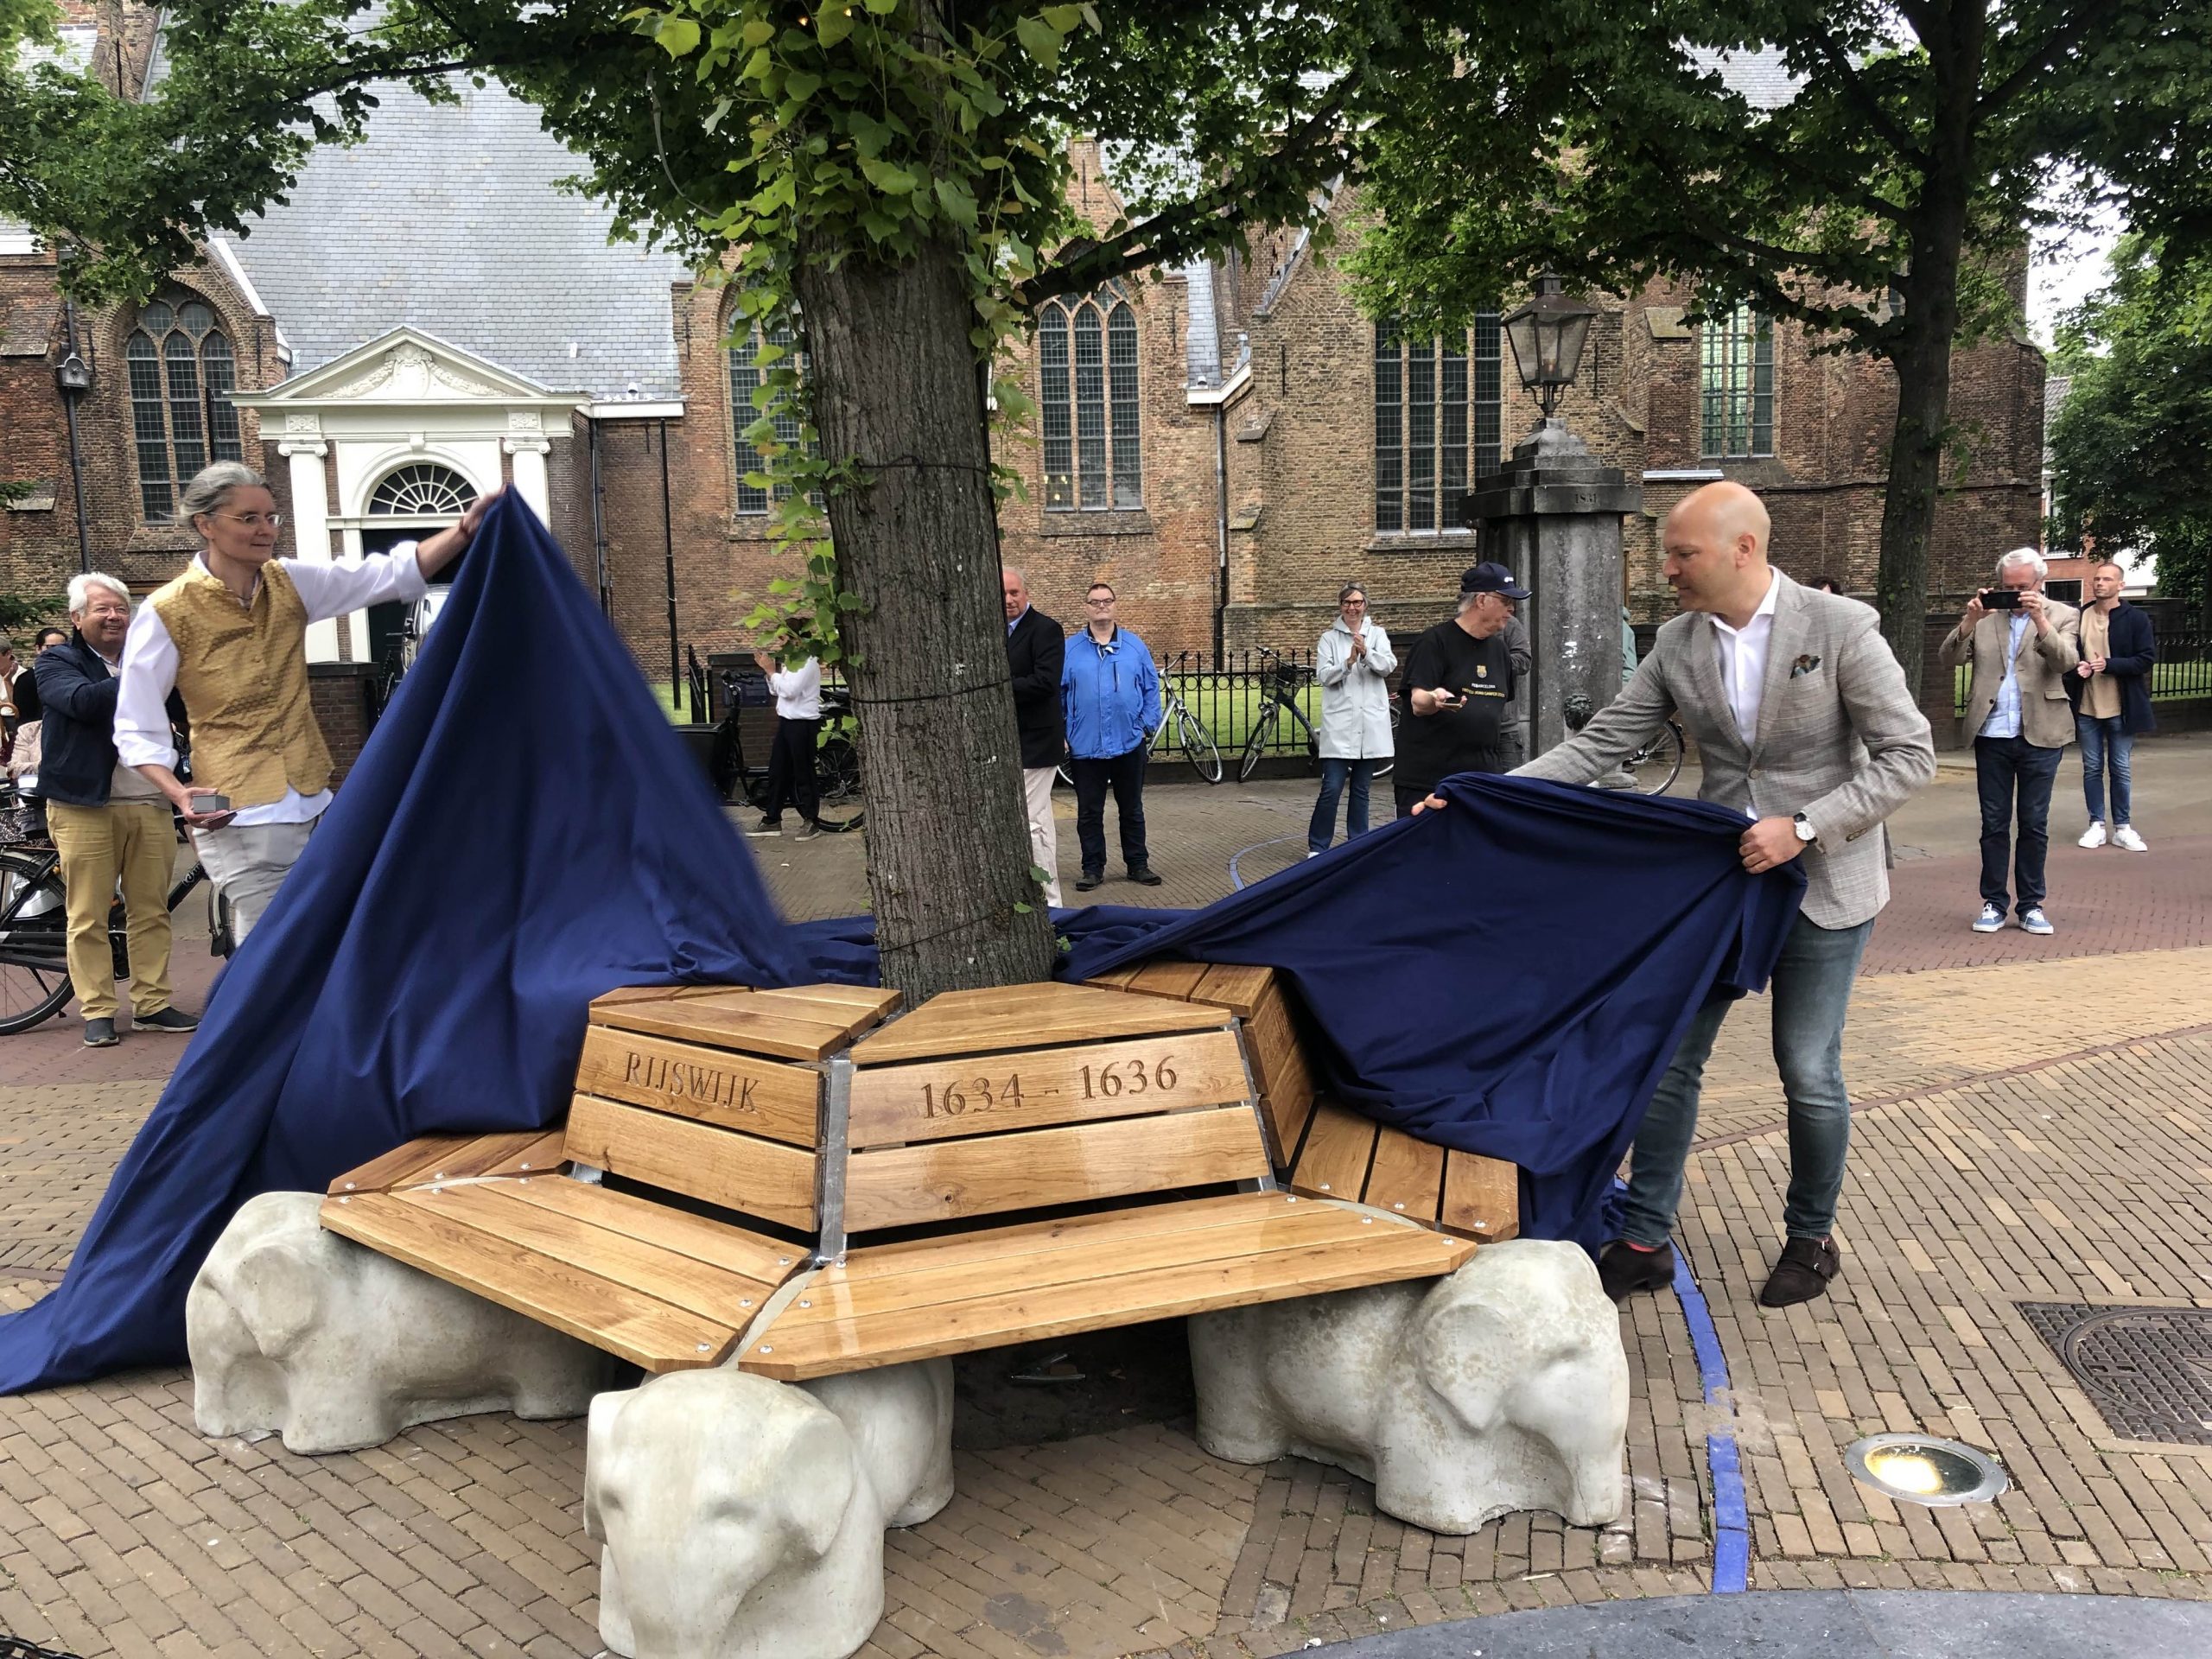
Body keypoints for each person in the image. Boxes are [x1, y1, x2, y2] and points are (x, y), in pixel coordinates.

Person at [1425, 482, 1935, 1307]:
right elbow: (1601, 743)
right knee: (1669, 1063)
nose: (1666, 570)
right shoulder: (1677, 641)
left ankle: (1812, 1238)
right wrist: (1487, 796)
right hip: (1720, 885)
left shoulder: (1840, 629)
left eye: (1681, 554)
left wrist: (1804, 825)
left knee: (1806, 1068)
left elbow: (1909, 754)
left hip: (1827, 881)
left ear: (1744, 549)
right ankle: (1645, 1238)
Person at [116, 461, 498, 944]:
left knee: (328, 939)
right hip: (237, 813)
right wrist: (176, 791)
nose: (266, 530)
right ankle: (251, 1019)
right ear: (205, 524)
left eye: (271, 517)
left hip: (314, 801)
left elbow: (382, 575)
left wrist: (464, 529)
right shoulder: (166, 611)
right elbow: (135, 723)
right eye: (249, 518)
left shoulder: (290, 581)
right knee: (271, 949)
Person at [34, 575, 196, 1047]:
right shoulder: (58, 661)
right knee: (87, 914)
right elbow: (82, 703)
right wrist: (146, 671)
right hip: (85, 804)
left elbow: (189, 708)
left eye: (121, 609)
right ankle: (98, 1009)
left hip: (148, 800)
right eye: (102, 609)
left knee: (151, 910)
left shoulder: (148, 660)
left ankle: (152, 1003)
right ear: (77, 617)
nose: (113, 616)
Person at [1939, 548, 2080, 936]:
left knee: (2034, 823)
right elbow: (1948, 659)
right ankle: (1994, 902)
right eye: (2008, 587)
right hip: (1992, 734)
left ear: (2039, 583)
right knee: (1994, 824)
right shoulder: (1986, 618)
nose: (2015, 594)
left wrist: (2038, 618)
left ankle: (2032, 904)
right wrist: (1969, 621)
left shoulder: (2065, 615)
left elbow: (2067, 662)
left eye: (2023, 587)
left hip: (2041, 734)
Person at [1392, 563, 1528, 820]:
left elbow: (1493, 715)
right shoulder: (1434, 642)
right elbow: (1418, 702)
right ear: (1481, 600)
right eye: (1506, 600)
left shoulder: (1500, 652)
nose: (1512, 609)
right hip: (1430, 784)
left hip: (1482, 781)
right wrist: (1435, 699)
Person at [1061, 582, 1161, 891]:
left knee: (1131, 808)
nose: (1101, 607)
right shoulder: (1069, 650)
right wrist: (1065, 731)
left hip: (1128, 743)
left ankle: (1138, 865)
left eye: (1107, 601)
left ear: (1115, 605)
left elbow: (1151, 687)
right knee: (1089, 811)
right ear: (1086, 607)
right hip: (1086, 746)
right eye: (1095, 602)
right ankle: (1092, 868)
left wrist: (1145, 725)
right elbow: (1058, 694)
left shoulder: (1134, 646)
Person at [2070, 560, 2156, 854]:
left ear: (2120, 585)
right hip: (2087, 706)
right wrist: (2078, 668)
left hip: (2122, 706)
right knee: (2091, 767)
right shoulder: (2080, 616)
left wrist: (2109, 665)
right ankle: (2096, 824)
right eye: (2096, 579)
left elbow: (2145, 659)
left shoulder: (2135, 619)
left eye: (2107, 579)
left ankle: (2123, 827)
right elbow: (2070, 656)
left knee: (2120, 768)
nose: (2099, 583)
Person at [1309, 585, 1396, 855]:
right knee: (1331, 787)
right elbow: (1323, 676)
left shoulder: (1378, 634)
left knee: (1361, 789)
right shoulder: (1328, 639)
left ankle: (1357, 842)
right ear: (1340, 606)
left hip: (1369, 723)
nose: (1352, 607)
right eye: (1347, 602)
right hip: (1340, 724)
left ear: (1365, 605)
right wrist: (1347, 663)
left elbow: (1388, 666)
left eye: (1357, 602)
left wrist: (1367, 653)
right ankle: (1318, 845)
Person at [1002, 569, 1065, 905]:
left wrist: (997, 687)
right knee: (1040, 821)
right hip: (1010, 742)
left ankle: (1047, 901)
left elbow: (1045, 682)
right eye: (1003, 594)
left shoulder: (1046, 629)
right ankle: (1050, 899)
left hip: (1038, 743)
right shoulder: (992, 630)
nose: (1009, 600)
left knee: (1027, 820)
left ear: (1026, 593)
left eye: (1014, 593)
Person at [746, 632, 824, 842]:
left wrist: (771, 670)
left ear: (797, 640)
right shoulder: (792, 661)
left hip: (803, 723)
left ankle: (811, 820)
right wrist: (770, 674)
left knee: (803, 772)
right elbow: (777, 691)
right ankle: (772, 819)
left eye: (783, 640)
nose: (780, 644)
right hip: (787, 722)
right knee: (777, 771)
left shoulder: (808, 662)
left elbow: (790, 691)